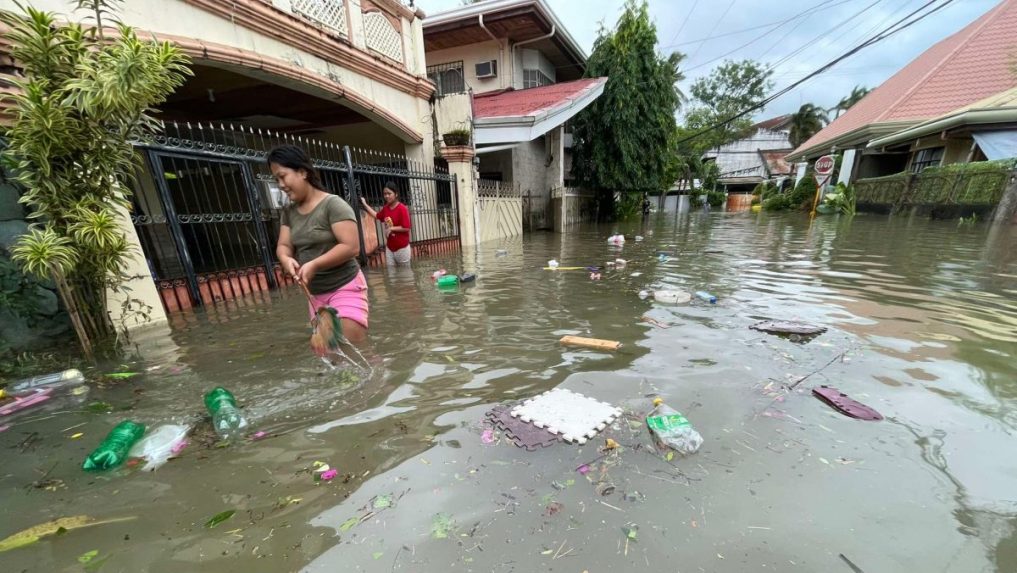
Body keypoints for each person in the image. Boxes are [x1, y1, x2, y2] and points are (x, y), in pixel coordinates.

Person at [270, 145, 368, 344]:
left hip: (345, 287)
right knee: (329, 354)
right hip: (315, 295)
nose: (280, 184)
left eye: (283, 176)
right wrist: (286, 259)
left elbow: (351, 247)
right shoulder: (289, 211)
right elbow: (284, 245)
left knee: (351, 350)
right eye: (276, 179)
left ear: (302, 172)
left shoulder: (333, 205)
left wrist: (314, 264)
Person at [360, 181, 412, 264]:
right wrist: (365, 204)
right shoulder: (386, 208)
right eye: (385, 194)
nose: (387, 196)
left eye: (389, 193)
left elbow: (406, 227)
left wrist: (391, 228)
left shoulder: (402, 208)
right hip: (390, 248)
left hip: (402, 248)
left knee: (404, 273)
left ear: (396, 194)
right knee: (391, 273)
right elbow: (377, 215)